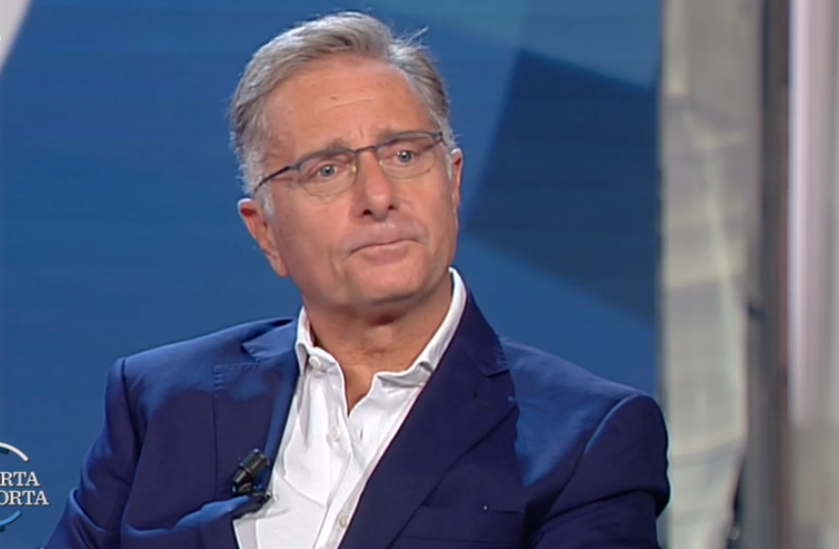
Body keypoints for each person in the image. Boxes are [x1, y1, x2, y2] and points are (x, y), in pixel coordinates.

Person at [46, 11, 670, 549]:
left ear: (452, 182)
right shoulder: (160, 404)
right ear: (265, 231)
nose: (378, 196)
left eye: (405, 154)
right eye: (327, 169)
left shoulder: (584, 440)